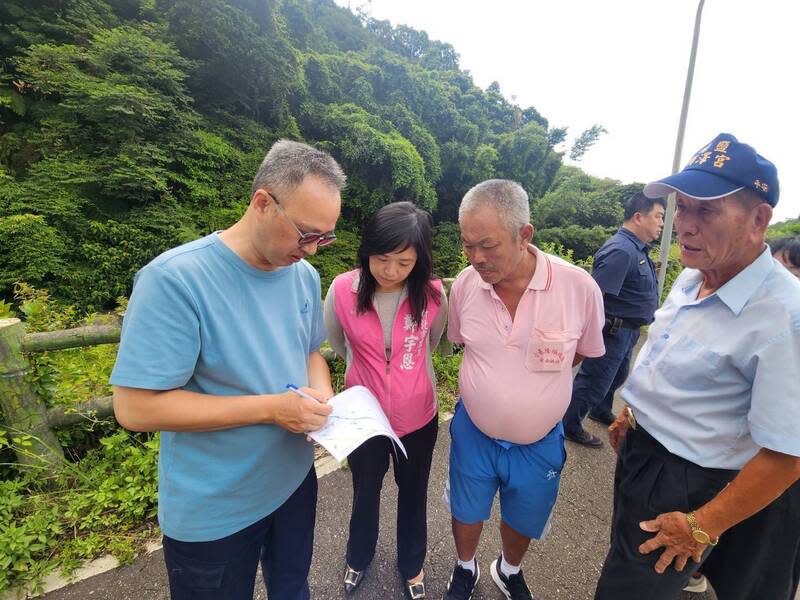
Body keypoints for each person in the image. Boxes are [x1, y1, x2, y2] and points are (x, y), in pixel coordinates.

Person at [110, 140, 346, 600]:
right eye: (306, 234)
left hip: (294, 482)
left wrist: (322, 394)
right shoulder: (175, 279)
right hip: (214, 506)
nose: (314, 251)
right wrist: (272, 410)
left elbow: (309, 352)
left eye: (325, 237)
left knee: (293, 590)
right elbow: (135, 408)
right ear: (262, 202)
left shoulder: (303, 275)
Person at [594, 133, 800, 600]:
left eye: (704, 211)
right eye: (681, 208)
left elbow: (787, 454)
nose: (684, 225)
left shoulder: (786, 316)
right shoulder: (694, 275)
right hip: (641, 451)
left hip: (687, 480)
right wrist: (634, 410)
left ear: (758, 219)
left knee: (628, 592)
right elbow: (668, 354)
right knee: (622, 566)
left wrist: (703, 526)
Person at [442, 179, 606, 600]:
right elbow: (463, 343)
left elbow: (581, 353)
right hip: (474, 432)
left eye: (488, 245)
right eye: (467, 244)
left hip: (538, 441)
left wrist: (534, 398)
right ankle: (465, 567)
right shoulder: (464, 284)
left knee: (525, 515)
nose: (476, 258)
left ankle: (509, 569)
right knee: (466, 509)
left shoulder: (578, 287)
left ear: (524, 235)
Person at [323, 201, 447, 600]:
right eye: (381, 258)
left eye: (404, 262)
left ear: (420, 260)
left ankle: (412, 564)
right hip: (364, 418)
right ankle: (358, 557)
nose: (391, 271)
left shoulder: (431, 293)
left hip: (419, 416)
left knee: (414, 493)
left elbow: (433, 344)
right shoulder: (344, 289)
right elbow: (340, 346)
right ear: (366, 251)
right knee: (365, 490)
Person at [688, 232, 800, 598]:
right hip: (737, 464)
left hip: (780, 483)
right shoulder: (752, 316)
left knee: (756, 572)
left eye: (789, 273)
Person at [563, 192, 665, 447]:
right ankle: (569, 424)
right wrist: (591, 335)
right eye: (658, 216)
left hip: (628, 331)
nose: (662, 223)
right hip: (611, 331)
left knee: (616, 377)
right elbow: (595, 297)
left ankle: (599, 409)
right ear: (639, 217)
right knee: (593, 381)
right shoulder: (621, 250)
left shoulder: (636, 249)